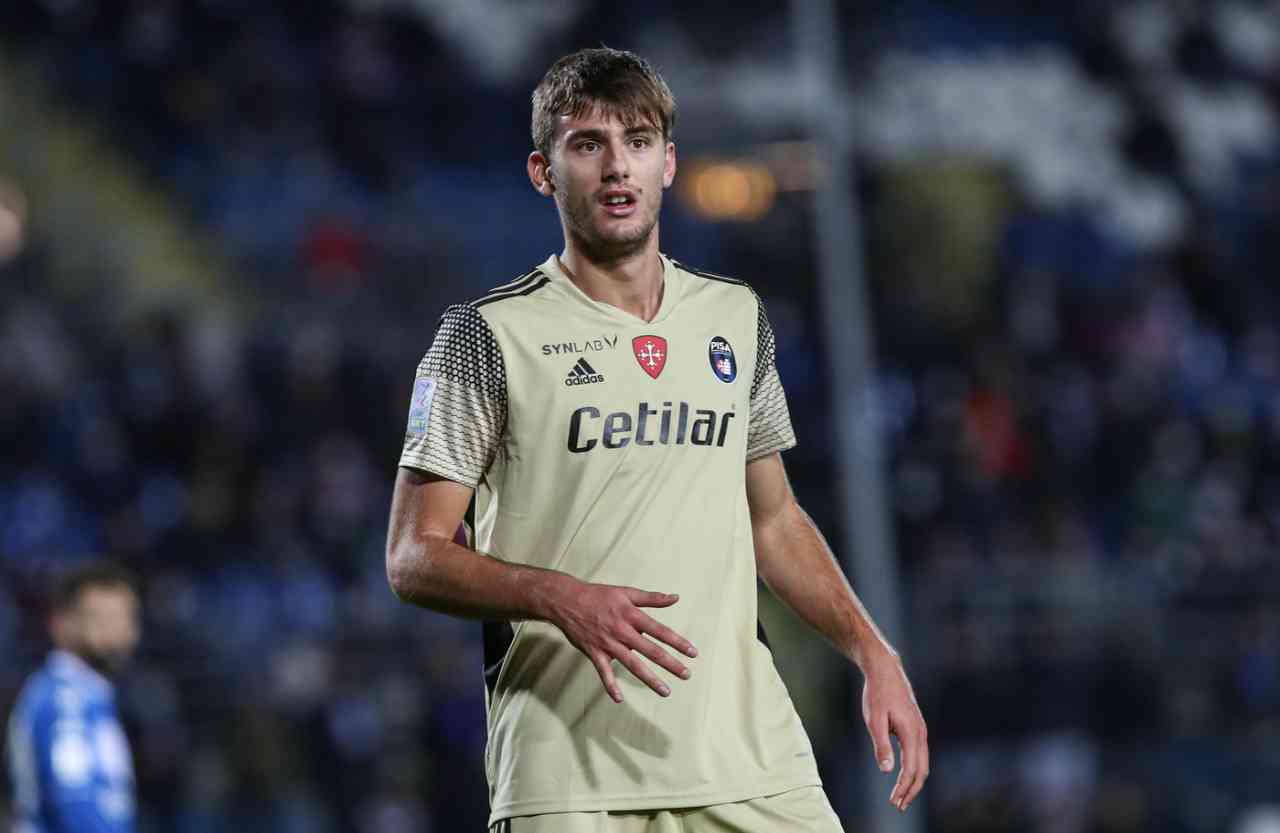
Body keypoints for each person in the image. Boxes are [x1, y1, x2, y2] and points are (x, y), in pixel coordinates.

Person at [385, 47, 928, 833]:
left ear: (668, 163)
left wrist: (874, 651)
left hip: (749, 762)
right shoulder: (484, 337)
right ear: (543, 172)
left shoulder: (734, 318)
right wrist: (558, 595)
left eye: (637, 142)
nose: (617, 167)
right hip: (569, 778)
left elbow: (774, 519)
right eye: (587, 144)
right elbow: (412, 555)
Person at [7, 562, 141, 833]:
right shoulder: (65, 701)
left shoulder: (89, 695)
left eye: (125, 618)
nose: (117, 633)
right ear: (61, 624)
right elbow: (74, 804)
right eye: (101, 619)